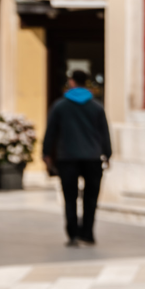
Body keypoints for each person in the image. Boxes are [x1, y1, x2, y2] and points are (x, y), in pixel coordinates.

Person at [43, 70, 113, 246]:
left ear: (71, 82)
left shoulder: (60, 106)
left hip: (68, 157)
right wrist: (108, 154)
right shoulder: (96, 107)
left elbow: (51, 132)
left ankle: (73, 234)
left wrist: (46, 154)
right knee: (91, 197)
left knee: (70, 197)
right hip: (92, 157)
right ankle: (88, 233)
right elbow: (104, 133)